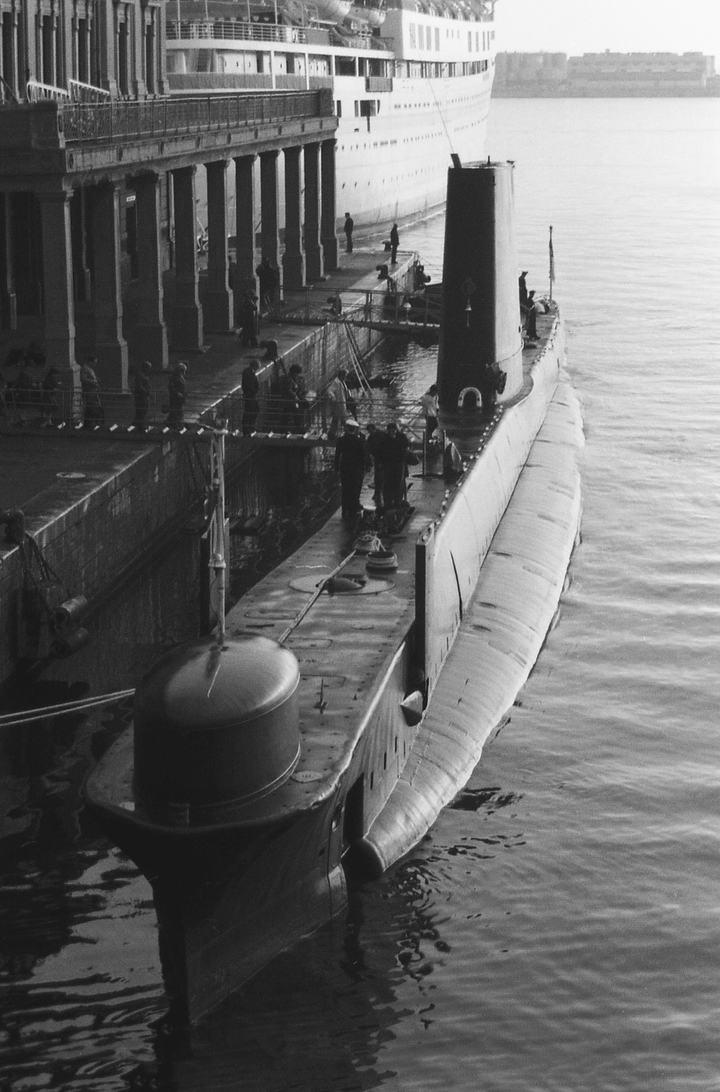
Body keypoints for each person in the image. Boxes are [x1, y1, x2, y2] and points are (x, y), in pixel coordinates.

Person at [334, 418, 371, 522]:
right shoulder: (359, 440)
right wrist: (368, 465)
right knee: (356, 488)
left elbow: (337, 455)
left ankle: (344, 509)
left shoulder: (341, 440)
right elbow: (365, 453)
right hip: (357, 469)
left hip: (345, 468)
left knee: (345, 488)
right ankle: (354, 508)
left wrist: (336, 467)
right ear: (355, 429)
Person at [379, 421, 409, 509]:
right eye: (390, 430)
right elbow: (380, 450)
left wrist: (395, 439)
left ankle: (397, 500)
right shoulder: (384, 438)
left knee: (398, 482)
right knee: (388, 482)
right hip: (388, 463)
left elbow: (405, 447)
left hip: (399, 462)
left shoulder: (401, 437)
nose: (392, 432)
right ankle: (388, 501)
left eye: (393, 430)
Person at [365, 422, 385, 509]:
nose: (370, 433)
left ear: (374, 429)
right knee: (378, 476)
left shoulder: (381, 435)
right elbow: (368, 448)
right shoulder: (371, 437)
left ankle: (379, 492)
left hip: (382, 458)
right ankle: (378, 492)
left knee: (381, 476)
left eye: (370, 431)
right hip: (377, 458)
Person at [326, 367, 349, 438]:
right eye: (345, 376)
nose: (346, 378)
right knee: (341, 419)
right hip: (338, 404)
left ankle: (332, 433)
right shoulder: (336, 382)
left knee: (337, 419)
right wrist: (333, 397)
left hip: (342, 403)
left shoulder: (341, 382)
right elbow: (329, 390)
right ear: (342, 376)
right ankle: (347, 433)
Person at [80, 357, 103, 428]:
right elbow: (83, 378)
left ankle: (95, 421)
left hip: (93, 390)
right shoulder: (85, 368)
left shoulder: (90, 369)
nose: (95, 364)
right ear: (90, 362)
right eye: (94, 362)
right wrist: (93, 381)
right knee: (91, 406)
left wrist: (96, 378)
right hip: (89, 391)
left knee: (95, 406)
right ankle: (91, 422)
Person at [241, 358, 261, 435]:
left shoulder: (248, 372)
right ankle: (247, 428)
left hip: (251, 395)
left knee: (253, 410)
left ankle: (250, 426)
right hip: (249, 395)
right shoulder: (248, 372)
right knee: (250, 411)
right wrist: (253, 391)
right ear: (255, 366)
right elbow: (248, 384)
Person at [288, 363, 309, 432]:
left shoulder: (292, 379)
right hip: (290, 400)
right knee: (295, 413)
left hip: (293, 399)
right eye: (297, 373)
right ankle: (299, 428)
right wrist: (296, 397)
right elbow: (289, 390)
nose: (297, 375)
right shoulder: (289, 380)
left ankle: (300, 426)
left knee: (293, 414)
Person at [133, 360, 152, 428]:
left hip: (144, 396)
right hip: (140, 396)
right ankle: (137, 425)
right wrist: (146, 392)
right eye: (149, 368)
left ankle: (139, 424)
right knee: (141, 411)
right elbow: (139, 386)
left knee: (143, 411)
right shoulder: (140, 375)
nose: (149, 370)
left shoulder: (143, 375)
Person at [167, 362, 187, 428]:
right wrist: (176, 393)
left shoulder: (180, 377)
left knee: (178, 412)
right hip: (175, 398)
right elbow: (171, 387)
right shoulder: (173, 377)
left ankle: (176, 424)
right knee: (176, 412)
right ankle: (175, 425)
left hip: (180, 399)